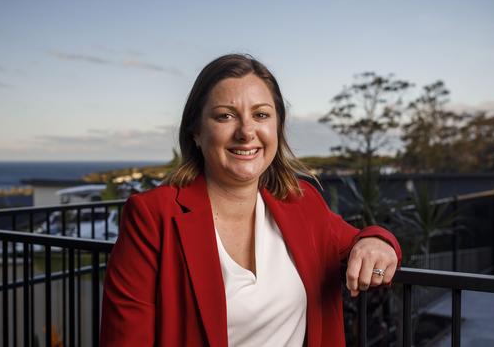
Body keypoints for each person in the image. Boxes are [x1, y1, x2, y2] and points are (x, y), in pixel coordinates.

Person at [100, 54, 402, 347]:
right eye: (225, 116)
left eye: (261, 115)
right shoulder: (153, 216)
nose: (246, 132)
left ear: (277, 127)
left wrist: (378, 242)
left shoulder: (302, 203)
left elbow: (364, 241)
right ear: (196, 131)